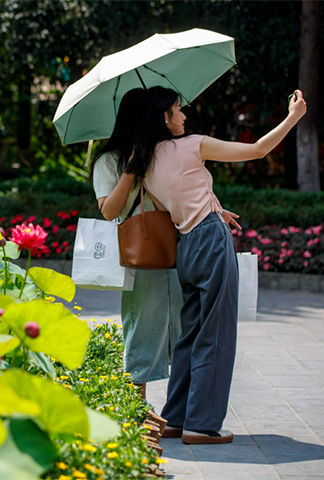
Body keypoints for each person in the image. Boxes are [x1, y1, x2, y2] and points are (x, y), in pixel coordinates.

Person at [128, 86, 306, 444]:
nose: (184, 116)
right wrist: (294, 117)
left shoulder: (143, 163)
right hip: (209, 238)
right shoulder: (193, 144)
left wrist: (214, 206)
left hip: (186, 247)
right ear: (164, 116)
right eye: (178, 110)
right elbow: (257, 150)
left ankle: (176, 418)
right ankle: (203, 425)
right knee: (217, 332)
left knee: (191, 334)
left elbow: (175, 201)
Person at [90, 89, 183, 402]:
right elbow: (109, 211)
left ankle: (178, 410)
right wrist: (131, 170)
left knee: (182, 326)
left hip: (175, 248)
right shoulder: (108, 161)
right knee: (142, 328)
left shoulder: (165, 154)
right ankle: (135, 408)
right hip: (138, 257)